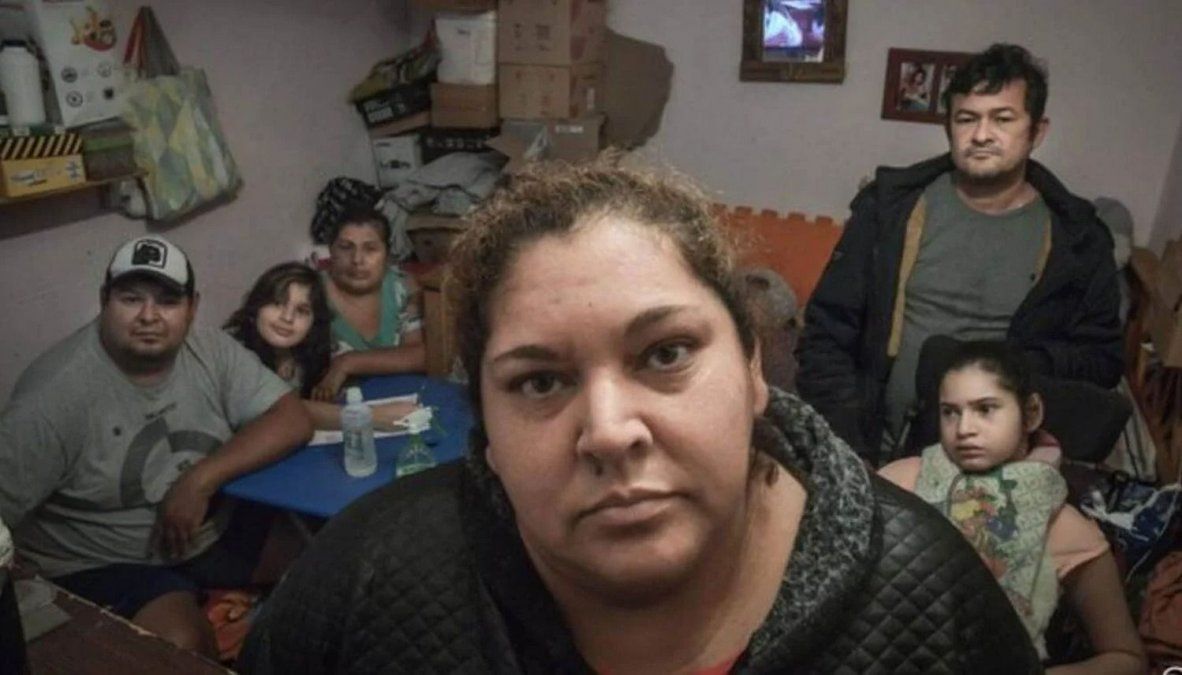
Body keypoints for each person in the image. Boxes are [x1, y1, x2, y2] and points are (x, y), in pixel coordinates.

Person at [240, 160, 1039, 673]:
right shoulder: (366, 575)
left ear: (753, 369)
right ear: (486, 425)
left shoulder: (930, 599)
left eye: (665, 354)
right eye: (540, 380)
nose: (610, 430)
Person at [796, 43, 1123, 464]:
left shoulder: (1078, 239)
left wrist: (1011, 369)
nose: (981, 135)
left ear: (1036, 132)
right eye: (967, 119)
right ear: (949, 128)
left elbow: (1101, 361)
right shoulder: (889, 210)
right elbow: (826, 333)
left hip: (997, 466)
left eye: (1002, 119)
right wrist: (849, 449)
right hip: (873, 446)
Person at [0, 236, 313, 658]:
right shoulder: (52, 398)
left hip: (205, 532)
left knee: (325, 563)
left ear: (192, 307)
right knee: (181, 643)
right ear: (104, 301)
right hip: (102, 560)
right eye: (131, 299)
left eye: (167, 301)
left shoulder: (208, 348)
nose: (148, 316)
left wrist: (199, 480)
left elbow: (292, 418)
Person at [880, 341, 1145, 673]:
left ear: (1031, 413)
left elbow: (1127, 659)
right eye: (950, 412)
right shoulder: (899, 482)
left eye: (985, 409)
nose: (964, 429)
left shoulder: (1065, 529)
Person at [225, 262, 419, 430]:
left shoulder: (307, 347)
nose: (287, 317)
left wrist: (342, 369)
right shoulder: (234, 352)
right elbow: (281, 409)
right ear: (256, 306)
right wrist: (372, 416)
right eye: (277, 304)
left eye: (301, 310)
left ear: (314, 321)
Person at [311, 206, 426, 401]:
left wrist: (346, 363)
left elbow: (421, 356)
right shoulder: (309, 293)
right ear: (331, 250)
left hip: (401, 402)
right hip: (331, 411)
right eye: (345, 247)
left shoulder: (402, 288)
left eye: (370, 249)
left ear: (387, 254)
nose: (357, 260)